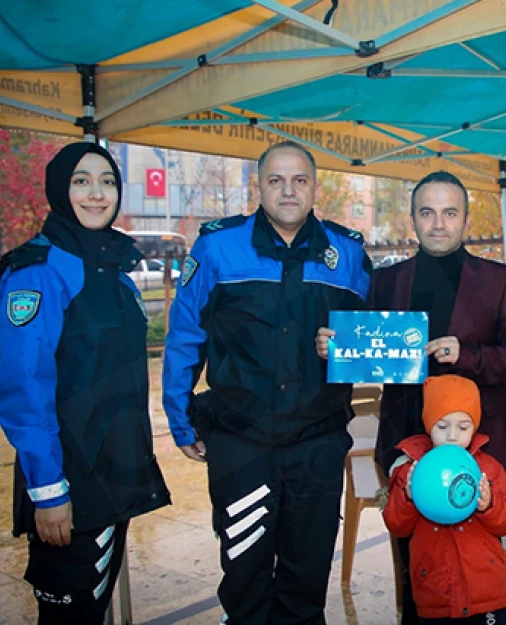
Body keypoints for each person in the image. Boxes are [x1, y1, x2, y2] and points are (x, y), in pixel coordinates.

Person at [315, 171, 506, 625]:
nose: (439, 223)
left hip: (479, 445)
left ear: (465, 218)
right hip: (406, 440)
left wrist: (467, 354)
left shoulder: (500, 280)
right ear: (413, 219)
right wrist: (334, 348)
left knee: (481, 559)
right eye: (428, 212)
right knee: (413, 566)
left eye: (450, 212)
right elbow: (365, 350)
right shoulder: (386, 281)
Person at [163, 141, 372, 624]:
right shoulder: (217, 247)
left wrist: (344, 349)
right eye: (276, 180)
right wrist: (180, 419)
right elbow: (185, 334)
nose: (288, 190)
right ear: (259, 186)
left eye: (299, 180)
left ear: (314, 186)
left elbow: (370, 347)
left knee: (306, 580)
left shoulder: (348, 253)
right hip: (242, 443)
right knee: (245, 578)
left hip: (317, 444)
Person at [0, 142, 170, 625]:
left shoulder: (116, 270)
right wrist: (48, 491)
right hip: (70, 480)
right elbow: (24, 389)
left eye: (107, 181)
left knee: (94, 602)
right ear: (58, 189)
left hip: (115, 473)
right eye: (81, 180)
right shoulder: (38, 271)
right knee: (69, 614)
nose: (97, 193)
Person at [382, 374, 506, 625]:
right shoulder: (411, 471)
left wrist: (490, 505)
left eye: (463, 426)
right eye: (442, 426)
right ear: (428, 426)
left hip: (486, 594)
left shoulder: (489, 469)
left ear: (475, 427)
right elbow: (396, 525)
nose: (452, 436)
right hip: (436, 595)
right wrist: (408, 497)